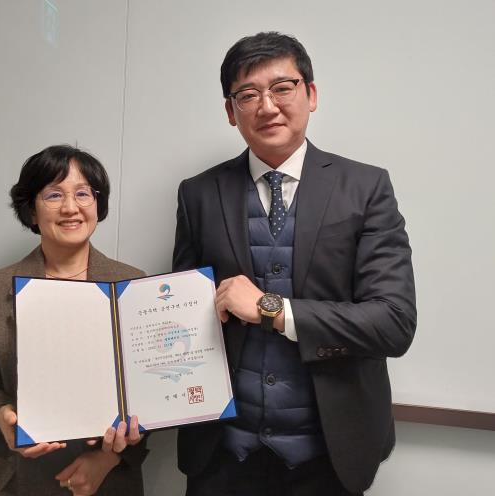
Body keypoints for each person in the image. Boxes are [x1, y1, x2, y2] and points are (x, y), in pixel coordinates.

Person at [173, 32, 416, 496]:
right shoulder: (198, 194)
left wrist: (272, 309)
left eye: (282, 88)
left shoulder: (366, 188)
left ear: (311, 94)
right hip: (222, 455)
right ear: (231, 111)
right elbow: (180, 315)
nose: (267, 106)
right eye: (248, 95)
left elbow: (394, 322)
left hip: (327, 455)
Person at [0, 145, 148, 496]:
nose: (70, 207)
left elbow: (151, 390)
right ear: (31, 210)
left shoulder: (133, 285)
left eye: (83, 194)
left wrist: (108, 459)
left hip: (107, 480)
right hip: (16, 479)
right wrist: (0, 416)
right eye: (54, 195)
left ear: (98, 204)